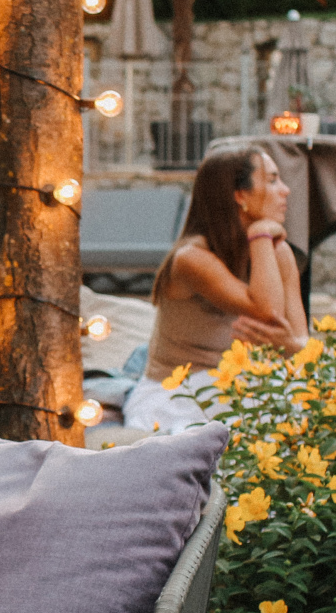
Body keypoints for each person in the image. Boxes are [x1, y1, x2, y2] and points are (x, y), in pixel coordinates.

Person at [122, 147, 307, 435]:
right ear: (240, 195)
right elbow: (266, 310)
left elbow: (302, 342)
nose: (286, 190)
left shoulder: (279, 252)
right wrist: (260, 235)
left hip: (241, 384)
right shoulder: (191, 259)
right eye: (272, 180)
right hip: (179, 394)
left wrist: (291, 345)